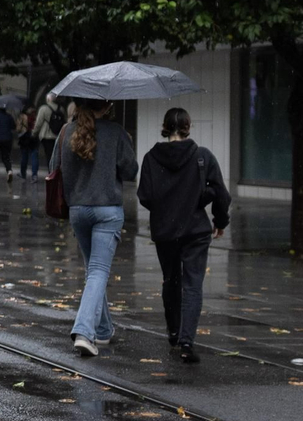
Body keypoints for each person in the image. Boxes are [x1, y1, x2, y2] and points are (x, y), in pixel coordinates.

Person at [137, 108, 232, 364]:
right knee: (193, 285)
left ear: (165, 127)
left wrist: (167, 207)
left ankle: (173, 331)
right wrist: (220, 220)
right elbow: (221, 193)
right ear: (188, 127)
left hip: (165, 231)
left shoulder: (151, 158)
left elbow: (145, 196)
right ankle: (187, 342)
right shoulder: (202, 156)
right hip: (195, 230)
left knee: (171, 280)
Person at [50, 98, 137, 357]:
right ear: (107, 106)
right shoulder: (116, 132)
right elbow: (130, 171)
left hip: (78, 210)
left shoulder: (66, 132)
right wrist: (125, 144)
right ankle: (84, 332)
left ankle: (103, 329)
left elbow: (54, 168)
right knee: (98, 271)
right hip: (107, 210)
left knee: (93, 271)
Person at [35, 92, 64, 166]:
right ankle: (55, 169)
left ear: (48, 99)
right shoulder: (61, 109)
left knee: (49, 155)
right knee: (56, 155)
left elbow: (38, 123)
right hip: (58, 135)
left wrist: (34, 133)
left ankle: (51, 170)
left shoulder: (43, 108)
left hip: (46, 135)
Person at [16, 107, 41, 181]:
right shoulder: (36, 117)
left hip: (25, 138)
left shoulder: (22, 116)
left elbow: (18, 129)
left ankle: (23, 173)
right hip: (34, 137)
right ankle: (34, 175)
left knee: (24, 156)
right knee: (34, 156)